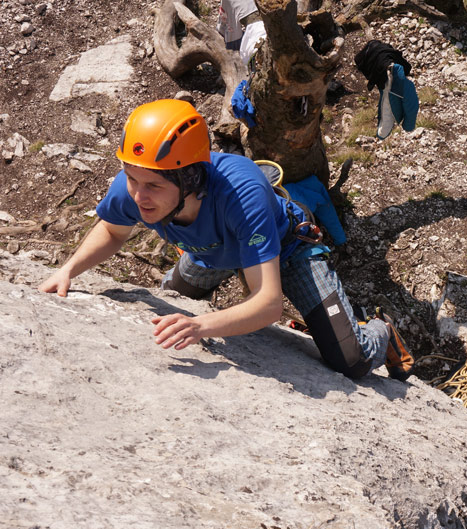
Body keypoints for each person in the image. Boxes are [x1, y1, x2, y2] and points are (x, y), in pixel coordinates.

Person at [38, 99, 414, 380]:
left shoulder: (241, 193)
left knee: (352, 360)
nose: (138, 197)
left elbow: (268, 304)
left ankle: (382, 330)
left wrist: (202, 326)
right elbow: (111, 229)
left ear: (191, 179)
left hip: (286, 249)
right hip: (213, 252)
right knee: (172, 300)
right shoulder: (135, 187)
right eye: (132, 179)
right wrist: (69, 270)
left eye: (153, 185)